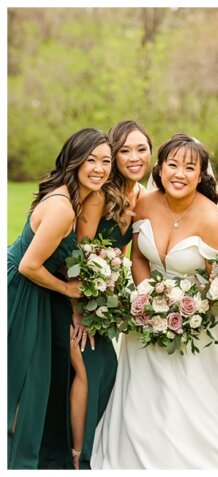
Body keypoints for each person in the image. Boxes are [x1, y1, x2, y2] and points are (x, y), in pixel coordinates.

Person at [90, 134, 218, 469]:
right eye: (173, 165)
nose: (180, 174)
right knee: (142, 395)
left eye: (189, 167)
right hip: (145, 316)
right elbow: (137, 256)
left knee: (189, 401)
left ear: (200, 175)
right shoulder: (146, 203)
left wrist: (184, 308)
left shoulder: (212, 218)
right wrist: (149, 297)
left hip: (199, 325)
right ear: (160, 169)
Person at [7, 128, 109, 468]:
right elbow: (28, 266)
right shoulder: (63, 207)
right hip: (25, 292)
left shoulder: (77, 198)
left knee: (43, 377)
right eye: (91, 160)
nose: (99, 168)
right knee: (24, 377)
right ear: (74, 161)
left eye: (106, 161)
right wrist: (69, 291)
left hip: (43, 291)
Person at [68, 119, 150, 469]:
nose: (134, 157)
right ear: (113, 156)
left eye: (141, 149)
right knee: (90, 368)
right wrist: (78, 310)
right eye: (125, 150)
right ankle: (77, 458)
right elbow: (79, 257)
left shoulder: (142, 195)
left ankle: (96, 453)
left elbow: (134, 257)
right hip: (71, 297)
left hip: (102, 303)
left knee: (107, 371)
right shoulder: (99, 196)